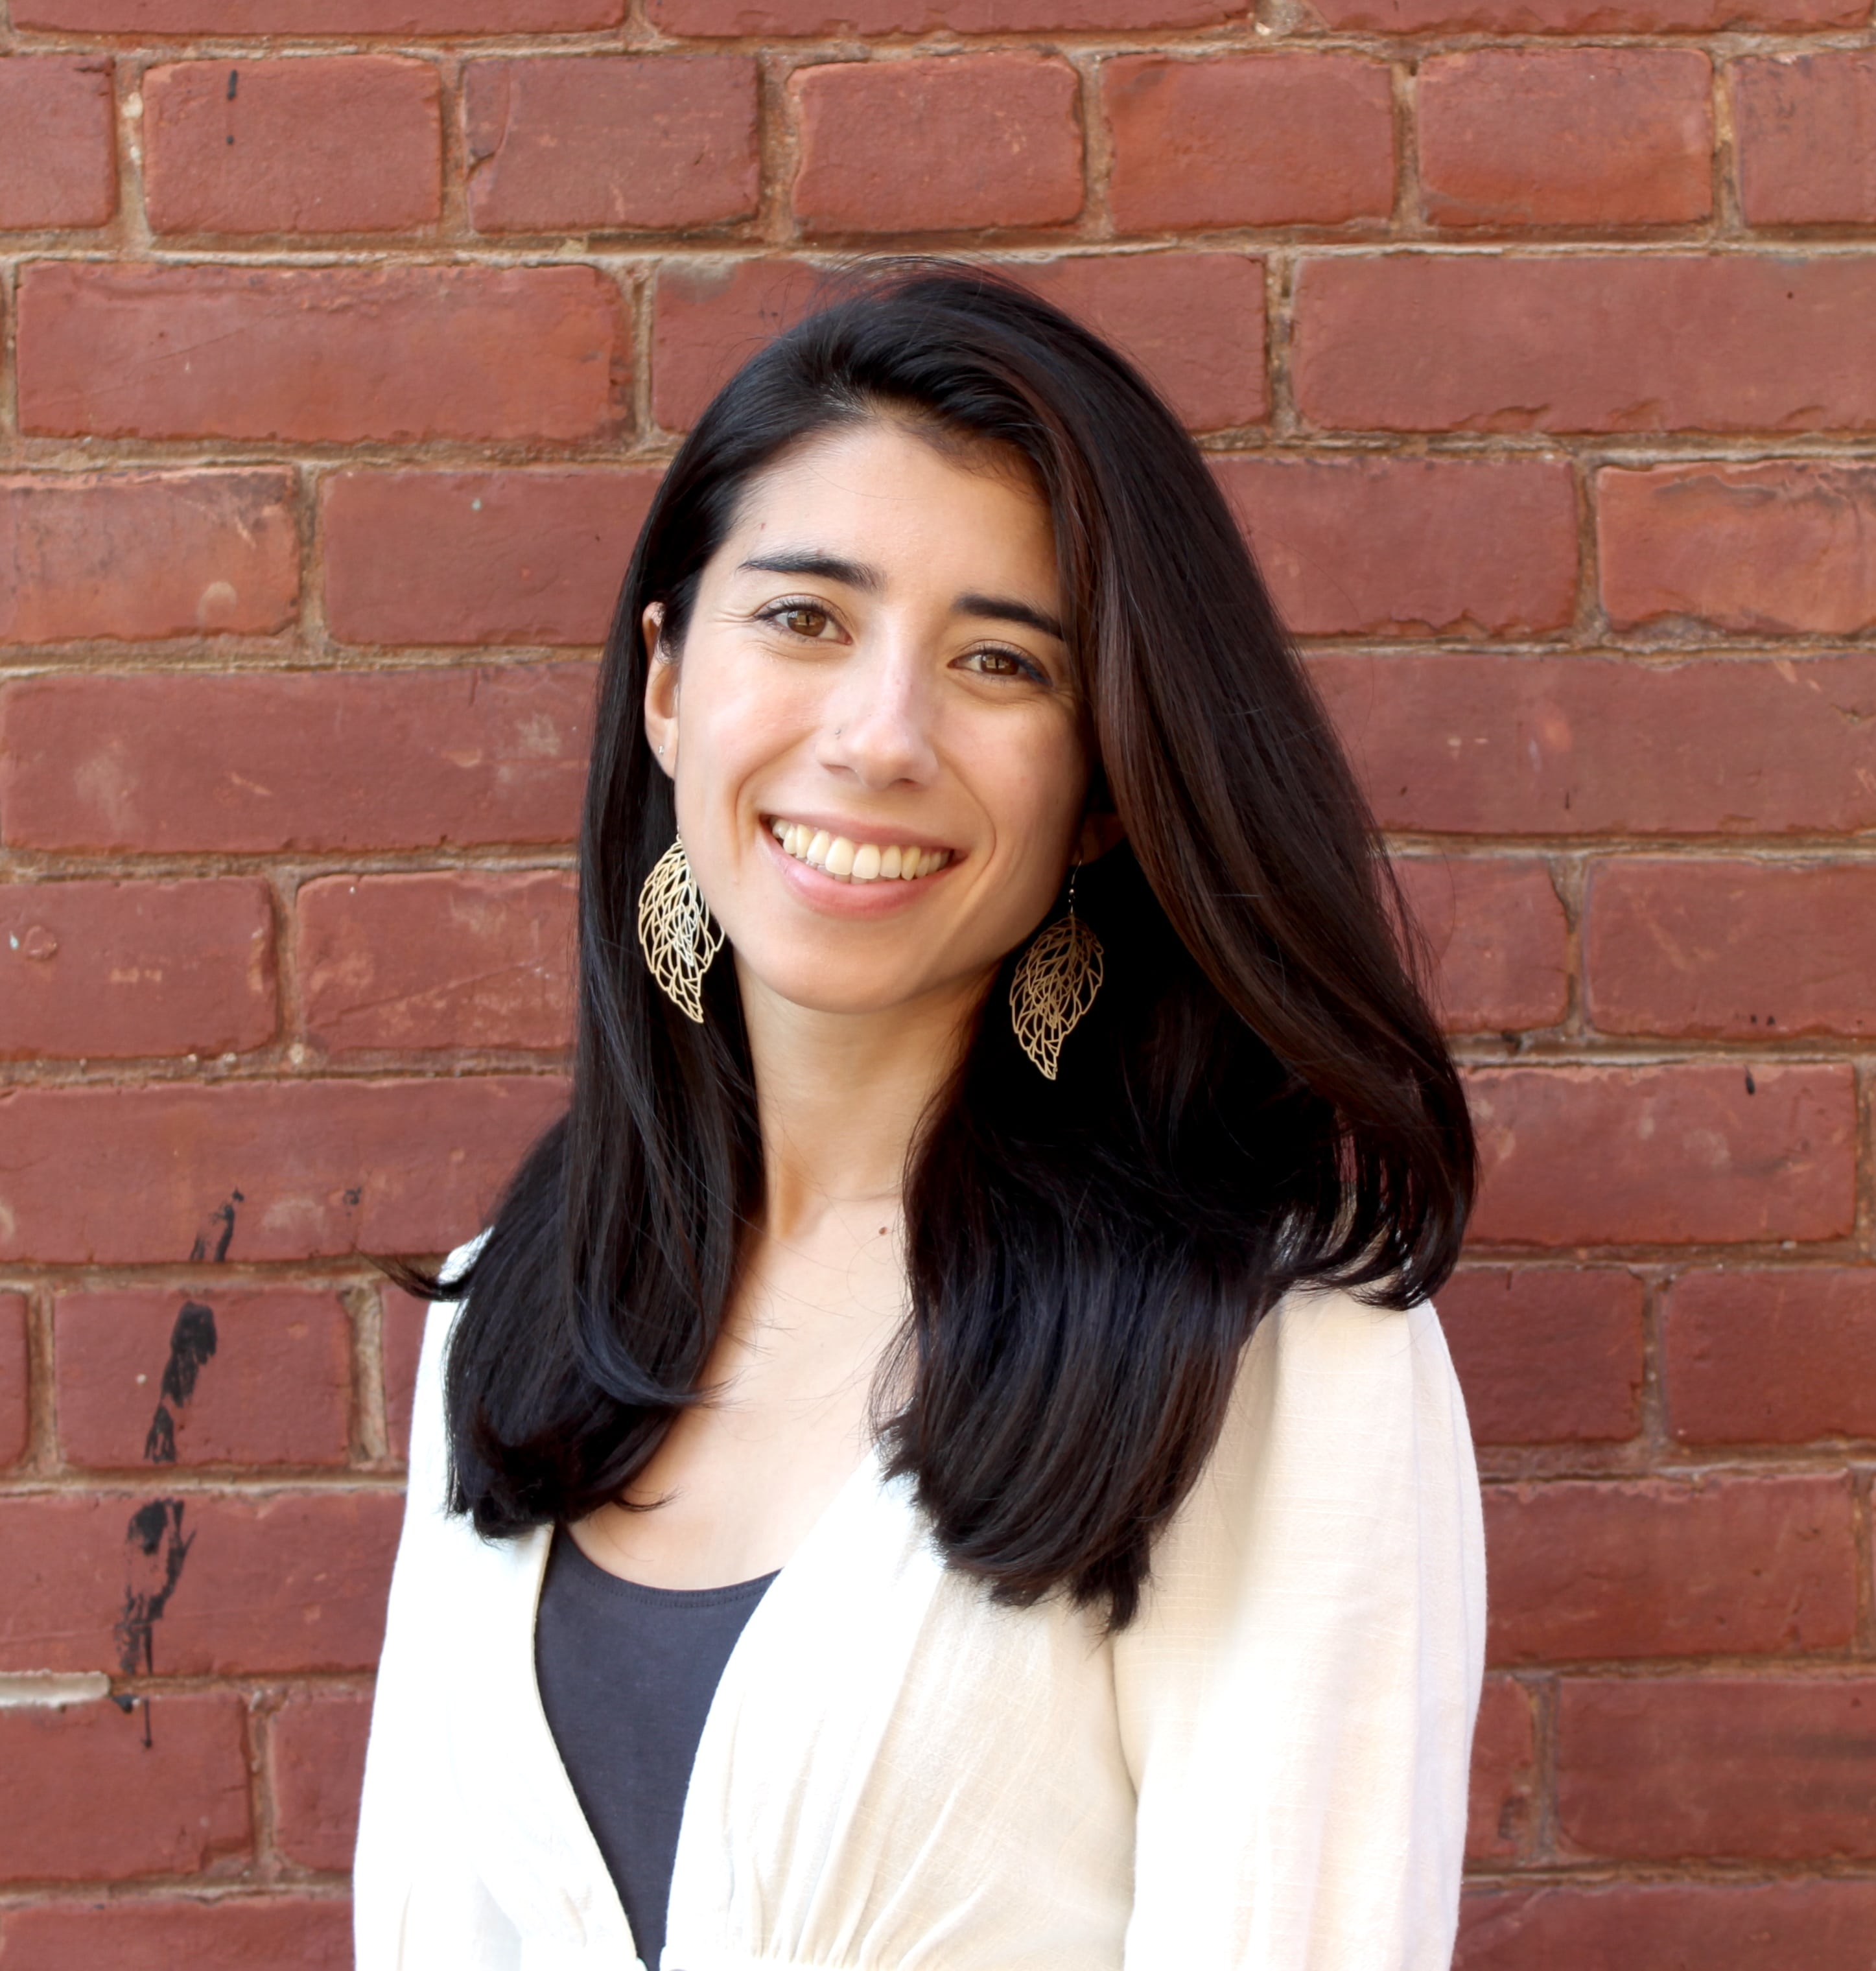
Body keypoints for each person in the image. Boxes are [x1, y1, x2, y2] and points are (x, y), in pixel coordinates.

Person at [355, 261, 1485, 1971]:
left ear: (1100, 791)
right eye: (804, 620)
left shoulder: (1264, 1349)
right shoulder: (512, 1305)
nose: (879, 737)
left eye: (999, 662)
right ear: (667, 682)